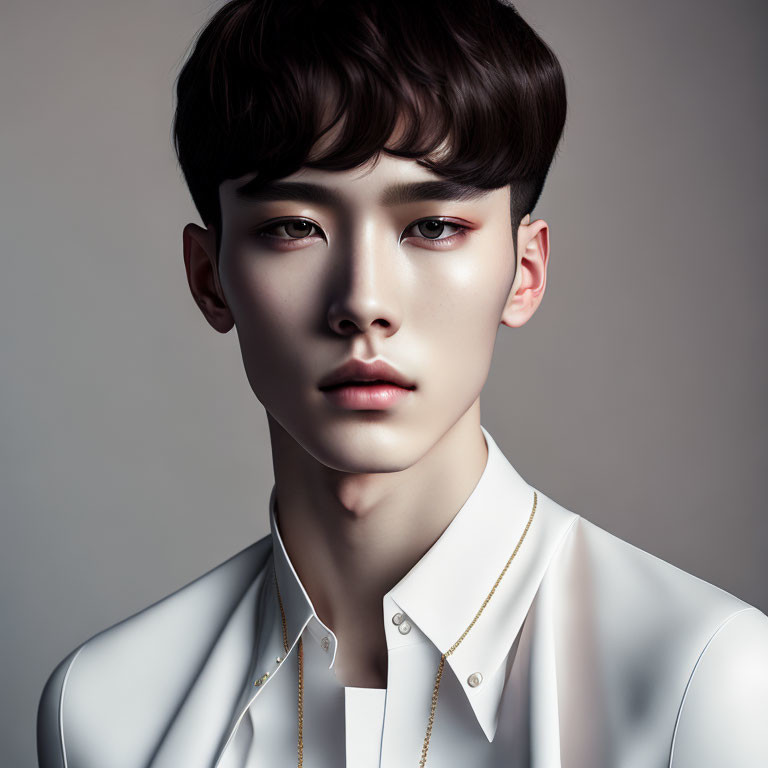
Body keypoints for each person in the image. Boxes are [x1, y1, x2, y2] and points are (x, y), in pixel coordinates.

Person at [37, 0, 768, 766]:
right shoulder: (104, 712)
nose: (364, 302)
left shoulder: (702, 681)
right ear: (208, 278)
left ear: (524, 271)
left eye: (433, 227)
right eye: (293, 226)